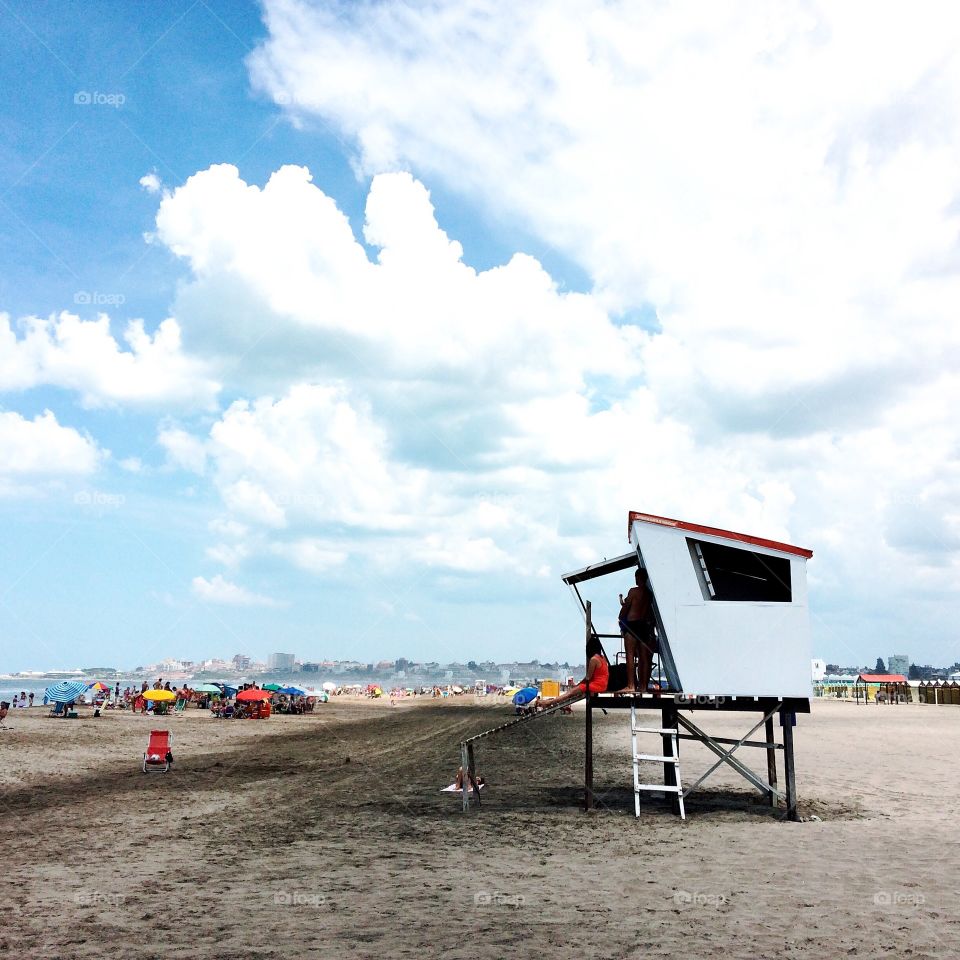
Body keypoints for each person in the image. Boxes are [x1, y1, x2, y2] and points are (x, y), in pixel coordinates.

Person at [538, 636, 609, 710]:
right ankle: (549, 702)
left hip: (596, 686)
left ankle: (548, 702)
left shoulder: (594, 659)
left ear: (590, 648)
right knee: (572, 692)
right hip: (603, 685)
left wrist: (578, 685)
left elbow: (588, 677)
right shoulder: (603, 658)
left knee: (570, 692)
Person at [619, 569, 656, 694]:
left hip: (632, 625)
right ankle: (643, 686)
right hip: (643, 625)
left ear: (637, 577)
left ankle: (631, 685)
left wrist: (621, 617)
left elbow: (626, 607)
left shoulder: (633, 591)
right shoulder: (649, 594)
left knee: (630, 656)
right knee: (643, 657)